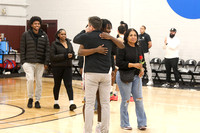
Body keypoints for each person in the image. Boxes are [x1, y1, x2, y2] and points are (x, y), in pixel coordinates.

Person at [73, 16, 124, 133]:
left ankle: (87, 131)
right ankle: (105, 130)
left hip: (91, 73)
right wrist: (110, 38)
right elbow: (121, 47)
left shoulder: (87, 36)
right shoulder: (108, 39)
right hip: (105, 74)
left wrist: (85, 31)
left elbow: (76, 40)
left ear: (90, 25)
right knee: (105, 104)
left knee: (90, 104)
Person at [116, 28, 147, 130]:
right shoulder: (122, 47)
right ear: (127, 37)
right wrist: (133, 65)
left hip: (136, 77)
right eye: (131, 35)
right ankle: (125, 124)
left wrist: (142, 68)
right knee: (125, 100)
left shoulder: (139, 47)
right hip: (124, 76)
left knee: (139, 99)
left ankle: (142, 123)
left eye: (135, 35)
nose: (133, 37)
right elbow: (119, 63)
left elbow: (142, 61)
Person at [20, 16, 50, 108]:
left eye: (38, 24)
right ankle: (30, 98)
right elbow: (22, 48)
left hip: (40, 62)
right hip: (28, 62)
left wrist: (46, 62)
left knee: (39, 82)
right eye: (35, 23)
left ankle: (37, 100)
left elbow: (47, 50)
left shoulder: (44, 35)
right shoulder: (25, 34)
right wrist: (23, 61)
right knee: (30, 79)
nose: (37, 25)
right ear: (32, 25)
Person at [50, 29, 77, 111]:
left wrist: (72, 55)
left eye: (65, 34)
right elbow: (52, 57)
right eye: (62, 34)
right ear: (58, 35)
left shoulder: (69, 43)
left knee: (68, 85)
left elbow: (72, 53)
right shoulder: (54, 44)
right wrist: (65, 56)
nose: (64, 36)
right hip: (57, 67)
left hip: (68, 67)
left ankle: (71, 103)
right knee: (57, 84)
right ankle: (56, 102)